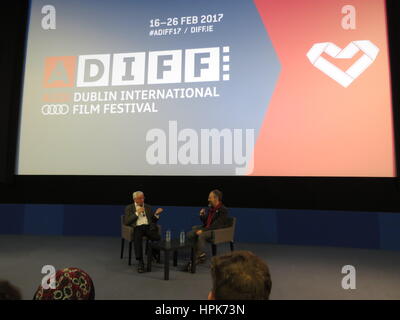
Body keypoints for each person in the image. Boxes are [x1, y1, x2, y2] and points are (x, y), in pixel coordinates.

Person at [185, 189, 229, 270]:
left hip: (216, 231)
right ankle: (200, 254)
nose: (208, 199)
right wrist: (202, 215)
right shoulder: (211, 208)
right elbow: (206, 222)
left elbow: (216, 225)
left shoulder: (223, 210)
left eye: (210, 198)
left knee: (201, 235)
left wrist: (203, 230)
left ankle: (196, 257)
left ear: (216, 198)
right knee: (190, 234)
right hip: (208, 228)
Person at [124, 191, 163, 273]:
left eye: (143, 198)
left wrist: (156, 214)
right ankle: (140, 262)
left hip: (148, 227)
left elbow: (153, 220)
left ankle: (152, 254)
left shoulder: (148, 207)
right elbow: (126, 221)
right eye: (140, 198)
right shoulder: (129, 208)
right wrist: (137, 213)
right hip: (137, 227)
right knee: (137, 240)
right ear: (135, 199)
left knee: (157, 237)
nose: (142, 200)